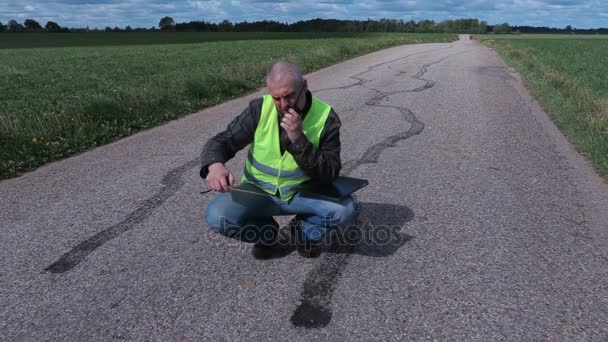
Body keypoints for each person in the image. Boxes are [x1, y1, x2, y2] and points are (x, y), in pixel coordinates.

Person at [200, 61, 357, 259]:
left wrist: (299, 140)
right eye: (277, 98)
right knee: (217, 217)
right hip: (259, 191)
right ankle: (267, 234)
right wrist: (214, 166)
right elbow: (222, 141)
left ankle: (303, 232)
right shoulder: (259, 109)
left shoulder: (326, 117)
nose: (283, 105)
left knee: (346, 209)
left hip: (302, 193)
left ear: (305, 86)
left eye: (289, 96)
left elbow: (329, 172)